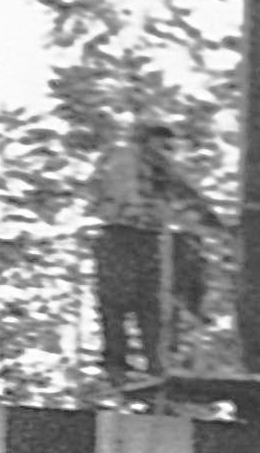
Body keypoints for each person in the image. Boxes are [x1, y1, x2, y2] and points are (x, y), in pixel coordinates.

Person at [91, 118, 220, 380]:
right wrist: (212, 223)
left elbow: (185, 195)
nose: (166, 153)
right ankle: (130, 362)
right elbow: (182, 195)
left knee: (147, 303)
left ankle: (148, 363)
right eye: (162, 146)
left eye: (169, 148)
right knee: (124, 301)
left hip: (143, 236)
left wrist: (211, 222)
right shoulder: (128, 159)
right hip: (124, 235)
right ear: (147, 141)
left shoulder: (148, 165)